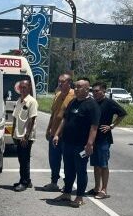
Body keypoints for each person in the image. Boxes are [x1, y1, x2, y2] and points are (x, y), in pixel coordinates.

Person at [51, 78, 100, 208]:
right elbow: (64, 120)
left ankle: (79, 197)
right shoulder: (73, 102)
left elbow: (94, 127)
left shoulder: (92, 105)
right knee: (68, 169)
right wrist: (57, 134)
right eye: (76, 87)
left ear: (86, 89)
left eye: (79, 87)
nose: (76, 89)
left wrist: (89, 144)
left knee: (80, 171)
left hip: (81, 145)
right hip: (67, 143)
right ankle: (67, 193)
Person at [90, 82, 127, 199]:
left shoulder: (109, 103)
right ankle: (96, 188)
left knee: (103, 164)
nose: (94, 93)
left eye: (97, 91)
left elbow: (122, 113)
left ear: (104, 91)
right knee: (96, 164)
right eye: (93, 91)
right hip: (93, 138)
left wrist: (111, 126)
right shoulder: (93, 102)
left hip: (104, 139)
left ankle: (104, 189)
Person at [43, 73, 74, 191]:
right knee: (53, 159)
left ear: (69, 83)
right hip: (54, 133)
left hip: (67, 135)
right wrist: (48, 129)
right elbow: (53, 114)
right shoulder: (57, 95)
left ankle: (68, 184)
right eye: (59, 82)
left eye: (63, 82)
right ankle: (54, 182)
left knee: (67, 161)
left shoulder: (74, 95)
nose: (60, 84)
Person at [12, 80, 38, 192]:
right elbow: (15, 117)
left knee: (24, 160)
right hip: (18, 135)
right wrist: (13, 133)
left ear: (29, 88)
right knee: (21, 159)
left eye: (25, 87)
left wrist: (26, 136)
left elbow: (32, 119)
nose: (22, 89)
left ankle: (24, 182)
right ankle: (26, 180)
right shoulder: (19, 100)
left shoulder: (32, 101)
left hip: (25, 136)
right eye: (21, 87)